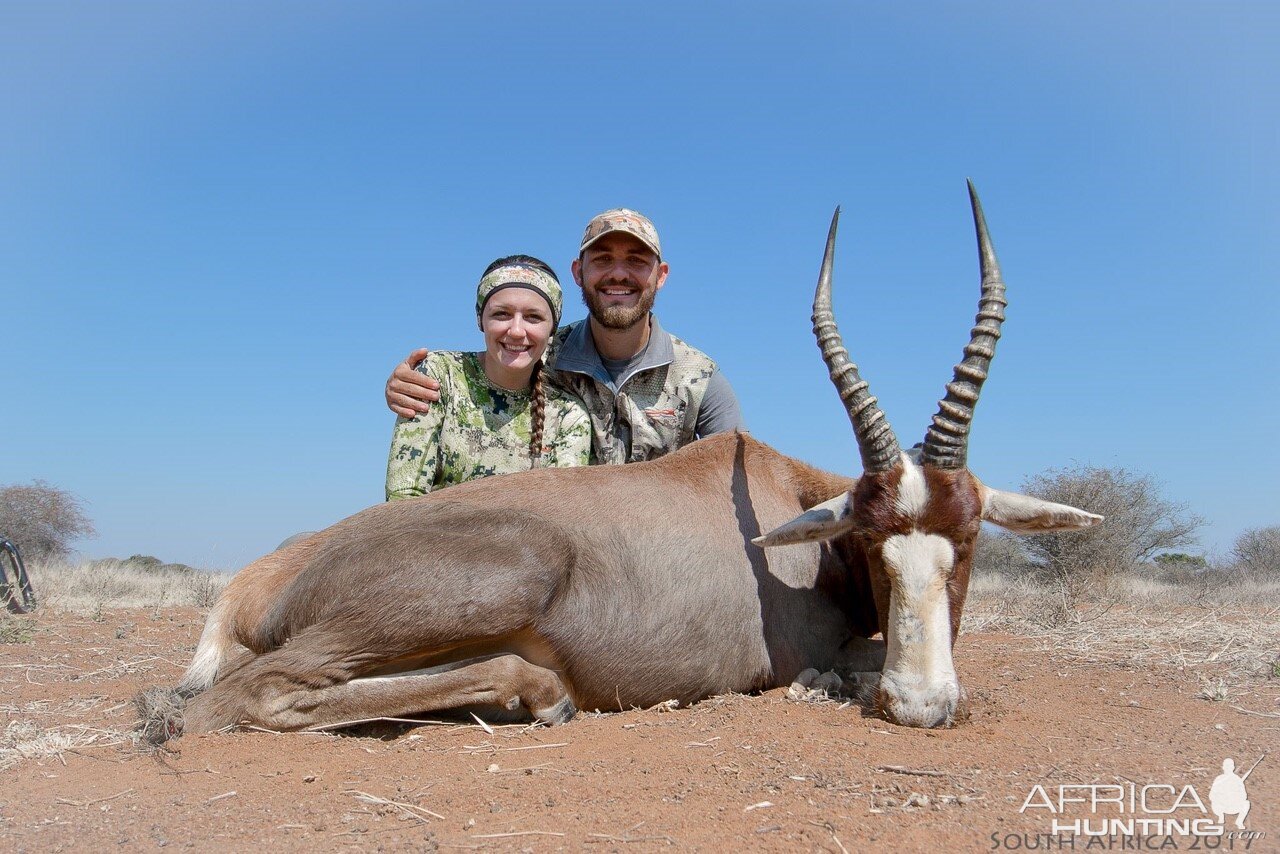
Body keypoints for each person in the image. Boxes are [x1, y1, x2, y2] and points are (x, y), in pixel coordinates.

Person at [385, 209, 743, 465]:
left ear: (660, 275)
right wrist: (408, 385)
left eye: (636, 261)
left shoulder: (701, 379)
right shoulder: (535, 355)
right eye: (602, 260)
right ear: (578, 272)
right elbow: (469, 383)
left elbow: (735, 475)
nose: (618, 274)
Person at [385, 256, 591, 498]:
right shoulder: (441, 375)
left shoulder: (569, 417)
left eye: (533, 317)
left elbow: (561, 513)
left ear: (552, 329)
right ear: (480, 320)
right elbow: (404, 498)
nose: (516, 331)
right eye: (501, 314)